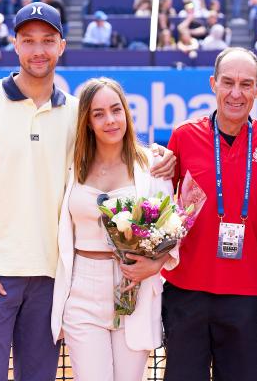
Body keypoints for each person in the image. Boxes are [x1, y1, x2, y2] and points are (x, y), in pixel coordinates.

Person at [0, 2, 174, 380]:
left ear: (61, 45)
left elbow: (117, 151)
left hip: (54, 280)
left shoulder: (79, 116)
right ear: (15, 44)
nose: (38, 50)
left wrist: (158, 156)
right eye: (28, 41)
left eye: (47, 40)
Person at [162, 47, 257, 381]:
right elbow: (160, 209)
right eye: (227, 82)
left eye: (246, 84)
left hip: (246, 296)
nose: (235, 93)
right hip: (186, 293)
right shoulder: (183, 136)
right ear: (213, 84)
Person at [50, 77, 179, 381]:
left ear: (126, 113)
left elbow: (173, 229)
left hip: (134, 289)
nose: (110, 120)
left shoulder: (153, 164)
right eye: (98, 114)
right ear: (87, 122)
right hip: (81, 290)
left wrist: (155, 264)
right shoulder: (70, 164)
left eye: (115, 110)